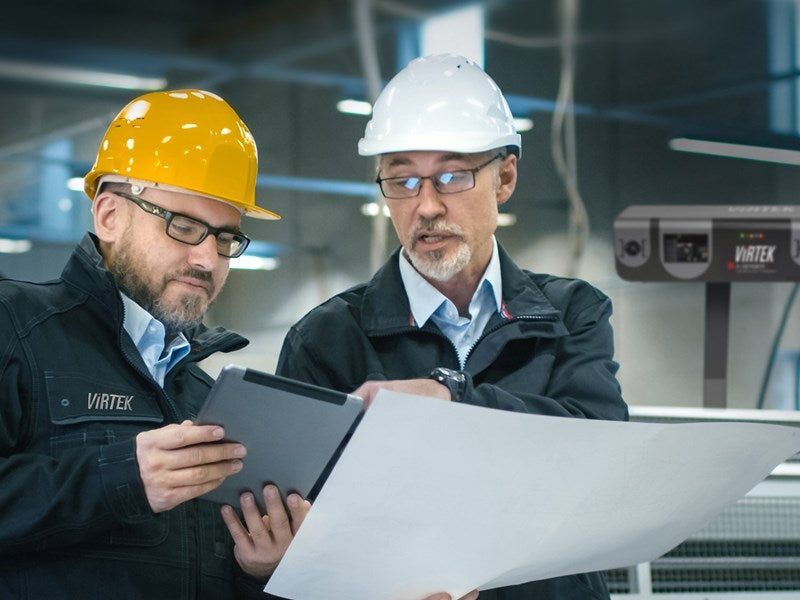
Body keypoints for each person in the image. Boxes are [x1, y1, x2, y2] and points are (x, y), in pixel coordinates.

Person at [276, 54, 628, 600]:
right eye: (403, 181)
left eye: (451, 176)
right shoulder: (326, 340)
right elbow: (306, 527)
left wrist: (454, 400)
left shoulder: (572, 313)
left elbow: (596, 450)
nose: (427, 206)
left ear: (504, 177)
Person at [0, 89, 307, 598]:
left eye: (226, 238)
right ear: (109, 216)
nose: (208, 260)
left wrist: (259, 572)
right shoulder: (16, 327)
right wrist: (119, 477)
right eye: (183, 226)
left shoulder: (208, 398)